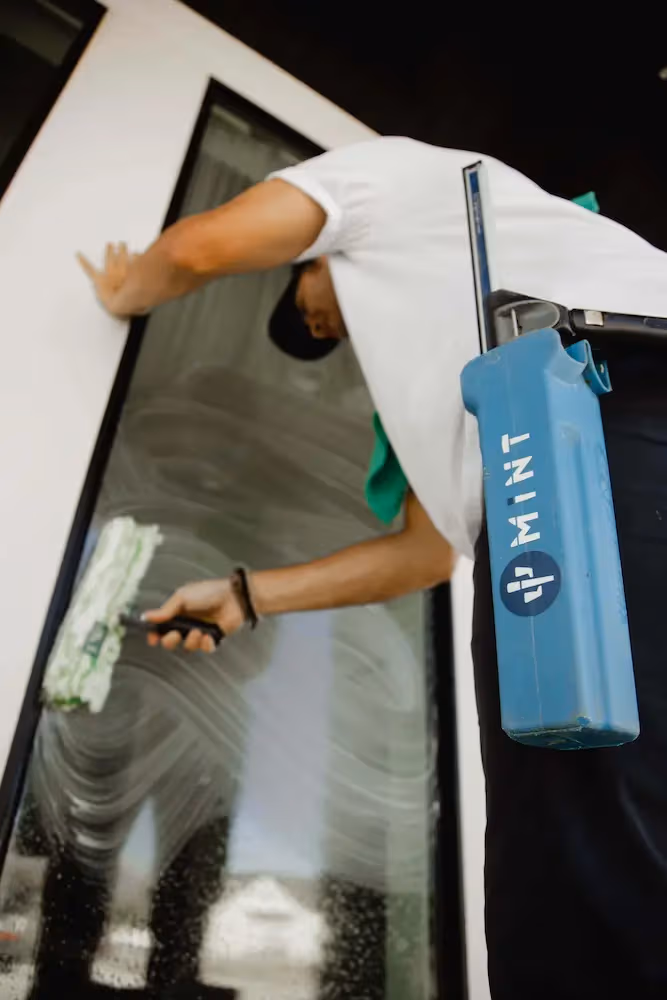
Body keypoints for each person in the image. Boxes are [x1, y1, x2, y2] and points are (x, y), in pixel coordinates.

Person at [81, 136, 667, 999]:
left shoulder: (388, 177)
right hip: (572, 447)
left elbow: (199, 248)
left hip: (598, 417)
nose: (320, 328)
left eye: (307, 307)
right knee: (589, 849)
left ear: (313, 254)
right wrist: (245, 596)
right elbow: (423, 555)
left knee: (581, 866)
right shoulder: (434, 386)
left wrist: (125, 291)